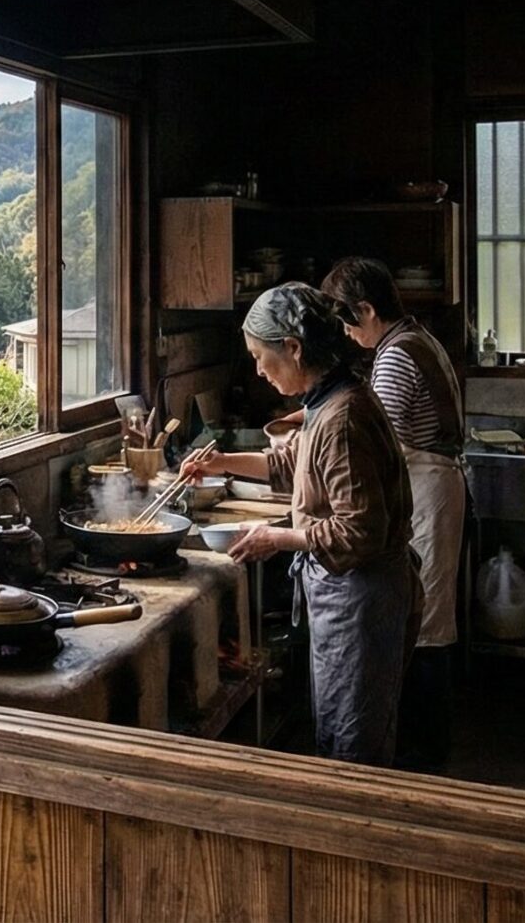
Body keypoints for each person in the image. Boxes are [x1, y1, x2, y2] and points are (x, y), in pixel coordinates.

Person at [182, 283, 414, 766]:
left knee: (352, 746)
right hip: (347, 592)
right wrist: (220, 462)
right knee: (339, 730)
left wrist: (277, 538)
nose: (258, 370)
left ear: (293, 347)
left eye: (259, 356)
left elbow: (359, 531)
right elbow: (291, 464)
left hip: (360, 596)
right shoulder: (326, 400)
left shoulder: (342, 417)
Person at [321, 256, 464, 773]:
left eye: (346, 320)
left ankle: (424, 752)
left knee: (426, 622)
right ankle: (423, 743)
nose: (345, 333)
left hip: (426, 487)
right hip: (430, 483)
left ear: (366, 309)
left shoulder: (397, 355)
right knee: (427, 615)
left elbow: (375, 435)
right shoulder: (413, 337)